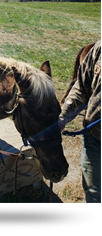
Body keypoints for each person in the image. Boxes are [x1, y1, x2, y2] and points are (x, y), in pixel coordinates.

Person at [58, 40, 101, 203]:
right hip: (94, 138)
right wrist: (62, 119)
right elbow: (81, 89)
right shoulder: (98, 50)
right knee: (94, 193)